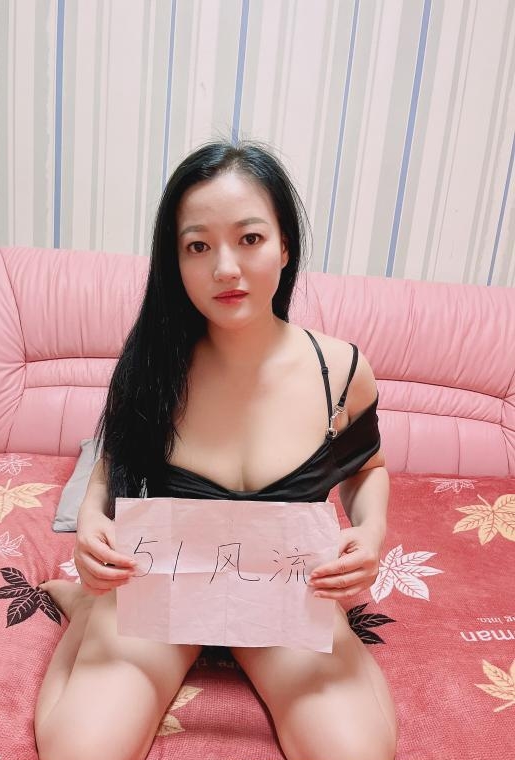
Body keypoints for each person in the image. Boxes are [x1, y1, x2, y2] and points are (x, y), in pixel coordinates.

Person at [34, 141, 398, 760]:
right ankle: (87, 608)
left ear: (285, 246)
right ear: (175, 261)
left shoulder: (339, 371)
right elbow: (111, 462)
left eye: (250, 239)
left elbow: (368, 468)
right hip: (162, 584)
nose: (225, 268)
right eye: (198, 246)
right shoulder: (152, 366)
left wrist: (370, 531)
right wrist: (91, 521)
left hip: (285, 594)